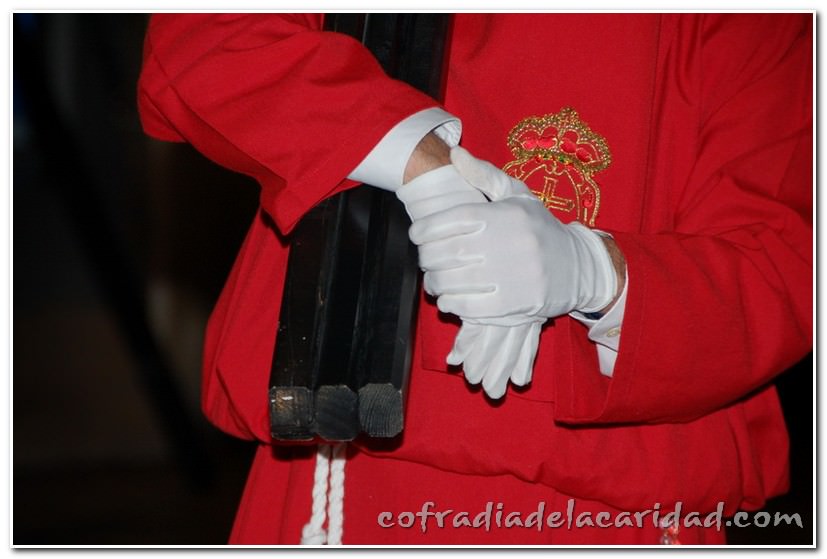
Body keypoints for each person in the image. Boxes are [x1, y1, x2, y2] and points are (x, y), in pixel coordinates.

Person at [137, 13, 812, 545]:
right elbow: (210, 34)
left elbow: (783, 257)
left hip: (624, 495)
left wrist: (596, 272)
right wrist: (418, 162)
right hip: (351, 471)